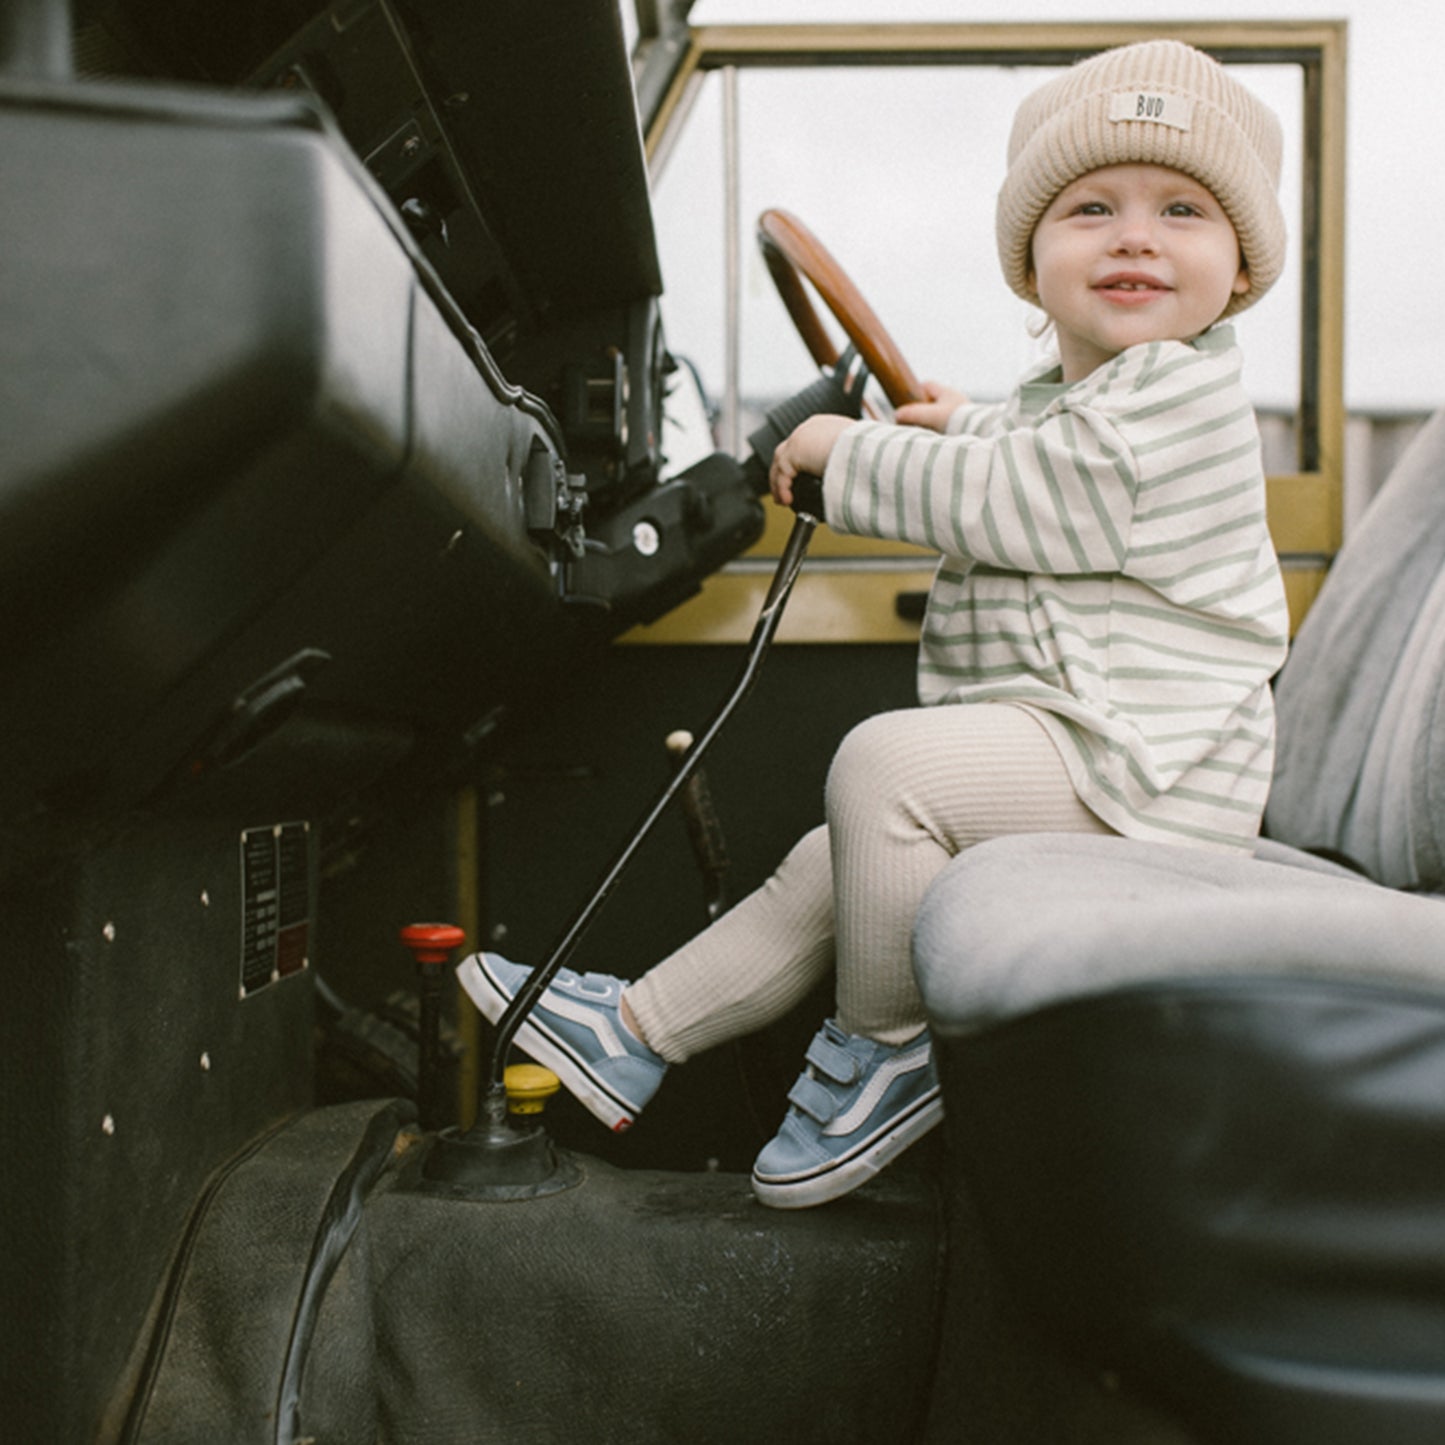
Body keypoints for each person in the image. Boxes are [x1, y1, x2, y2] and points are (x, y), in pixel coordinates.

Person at [458, 39, 1291, 1209]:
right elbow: (1027, 447)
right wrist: (951, 421)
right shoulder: (1086, 398)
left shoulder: (1180, 399)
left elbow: (1032, 497)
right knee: (832, 860)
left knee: (884, 767)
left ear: (1242, 269)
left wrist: (849, 453)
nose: (1134, 235)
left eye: (1183, 209)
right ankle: (636, 1029)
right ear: (1031, 261)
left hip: (1154, 787)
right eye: (1090, 206)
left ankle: (891, 1049)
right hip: (1104, 755)